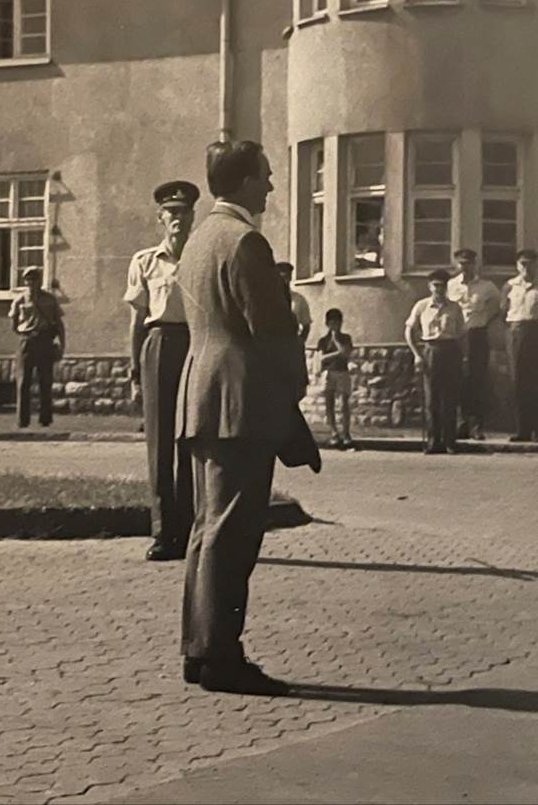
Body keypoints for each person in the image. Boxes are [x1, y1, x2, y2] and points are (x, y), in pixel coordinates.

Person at [177, 140, 309, 697]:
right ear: (246, 182)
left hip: (202, 397)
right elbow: (272, 331)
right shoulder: (246, 241)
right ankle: (221, 658)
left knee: (206, 530)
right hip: (241, 404)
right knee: (233, 534)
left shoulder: (198, 238)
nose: (272, 187)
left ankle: (198, 649)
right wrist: (295, 387)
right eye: (267, 177)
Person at [124, 180, 200, 562]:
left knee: (189, 441)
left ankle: (186, 532)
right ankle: (161, 532)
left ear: (193, 216)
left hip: (194, 346)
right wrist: (135, 371)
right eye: (171, 212)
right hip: (158, 345)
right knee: (159, 444)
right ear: (160, 218)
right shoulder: (145, 262)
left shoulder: (202, 258)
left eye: (184, 212)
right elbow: (138, 321)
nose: (178, 219)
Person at [407, 269, 467, 454]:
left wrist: (463, 357)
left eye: (442, 286)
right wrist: (417, 354)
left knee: (449, 398)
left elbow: (462, 334)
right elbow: (409, 330)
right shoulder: (422, 306)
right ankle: (434, 441)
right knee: (432, 399)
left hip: (451, 351)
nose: (439, 289)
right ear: (430, 286)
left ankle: (450, 441)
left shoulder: (455, 307)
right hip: (431, 350)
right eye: (436, 286)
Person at [447, 249, 503, 441]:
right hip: (455, 338)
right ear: (456, 265)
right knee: (458, 380)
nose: (465, 267)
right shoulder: (450, 286)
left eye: (469, 263)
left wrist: (485, 319)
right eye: (462, 263)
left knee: (477, 380)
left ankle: (477, 426)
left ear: (475, 264)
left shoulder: (487, 287)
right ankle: (461, 424)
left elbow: (498, 307)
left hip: (477, 335)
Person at [502, 249, 538, 442]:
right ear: (517, 266)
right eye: (523, 263)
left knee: (537, 382)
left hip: (537, 333)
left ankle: (536, 430)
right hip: (516, 332)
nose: (527, 267)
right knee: (518, 382)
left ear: (536, 265)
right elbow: (503, 312)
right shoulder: (509, 286)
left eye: (531, 263)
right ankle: (521, 429)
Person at [8, 266, 64, 428]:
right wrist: (24, 333)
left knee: (45, 381)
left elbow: (59, 324)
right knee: (23, 381)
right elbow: (14, 324)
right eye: (28, 279)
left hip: (45, 340)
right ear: (25, 281)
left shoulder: (50, 299)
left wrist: (62, 345)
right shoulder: (20, 300)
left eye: (35, 279)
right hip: (27, 341)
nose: (32, 282)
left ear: (40, 280)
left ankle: (45, 419)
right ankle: (22, 420)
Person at [316, 308, 357, 451]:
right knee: (329, 402)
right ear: (327, 324)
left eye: (338, 323)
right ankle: (334, 432)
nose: (335, 326)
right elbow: (321, 358)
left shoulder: (345, 338)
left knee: (344, 402)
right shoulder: (322, 341)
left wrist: (336, 341)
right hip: (329, 372)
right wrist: (337, 353)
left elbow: (346, 354)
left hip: (342, 372)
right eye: (332, 323)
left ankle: (346, 433)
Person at [277, 263, 312, 345]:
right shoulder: (269, 300)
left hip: (291, 343)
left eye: (287, 277)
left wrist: (300, 343)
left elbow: (306, 325)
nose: (285, 282)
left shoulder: (299, 300)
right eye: (281, 278)